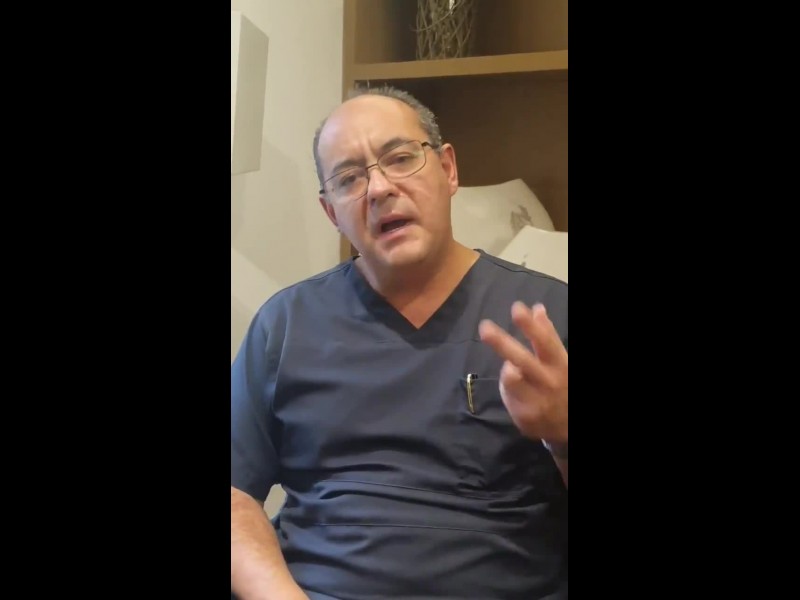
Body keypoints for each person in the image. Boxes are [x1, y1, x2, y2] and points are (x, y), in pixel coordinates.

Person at [231, 85, 568, 600]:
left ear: (448, 170)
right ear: (331, 213)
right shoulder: (287, 324)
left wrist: (563, 435)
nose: (379, 188)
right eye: (348, 178)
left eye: (401, 158)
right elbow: (235, 494)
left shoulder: (549, 317)